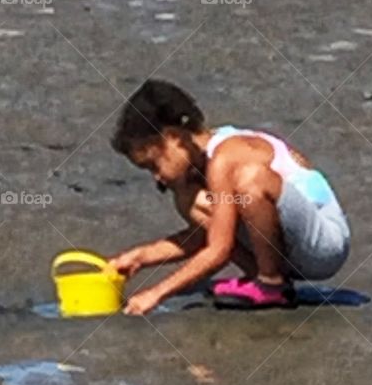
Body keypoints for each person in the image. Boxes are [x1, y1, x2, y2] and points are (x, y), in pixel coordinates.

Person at [108, 79, 350, 315]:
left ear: (175, 137)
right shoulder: (202, 174)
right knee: (193, 200)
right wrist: (141, 257)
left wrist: (156, 293)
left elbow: (219, 249)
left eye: (154, 165)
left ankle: (271, 283)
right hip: (292, 245)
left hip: (324, 243)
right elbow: (210, 234)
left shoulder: (225, 156)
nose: (157, 178)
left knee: (250, 182)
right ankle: (264, 277)